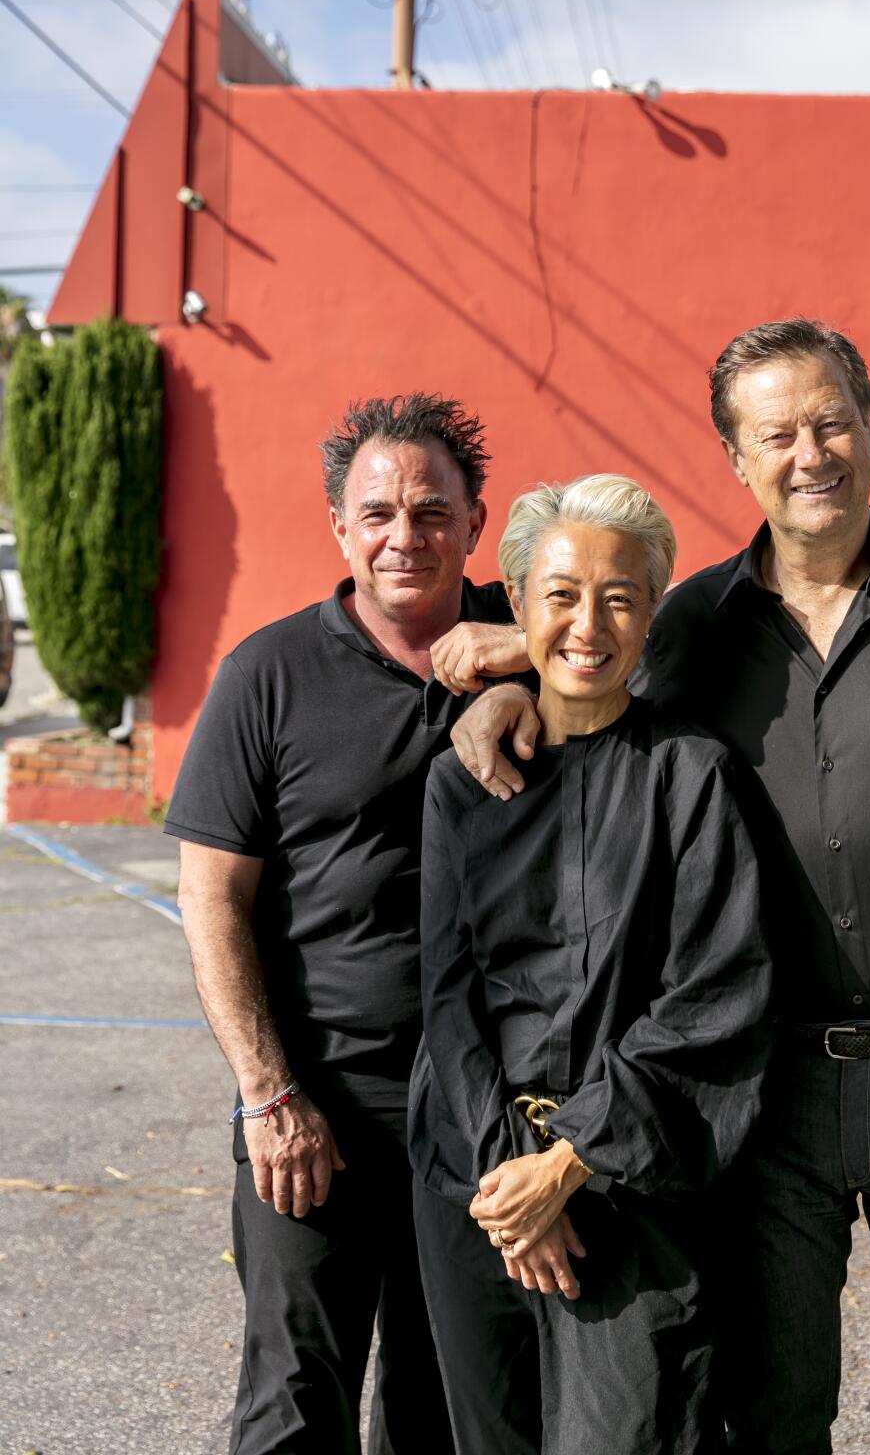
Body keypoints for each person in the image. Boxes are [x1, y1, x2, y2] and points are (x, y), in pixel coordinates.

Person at [440, 319, 870, 1455]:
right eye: (779, 434)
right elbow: (593, 672)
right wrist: (511, 683)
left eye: (831, 422)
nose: (812, 453)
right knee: (768, 1423)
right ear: (736, 461)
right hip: (764, 1103)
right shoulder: (696, 626)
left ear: (869, 427)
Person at [168, 393, 513, 1455]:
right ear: (339, 528)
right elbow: (211, 901)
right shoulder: (266, 677)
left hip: (481, 1111)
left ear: (475, 521)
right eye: (376, 514)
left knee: (443, 1404)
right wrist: (268, 1094)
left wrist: (525, 661)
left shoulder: (543, 645)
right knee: (292, 1404)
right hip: (317, 1107)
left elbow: (650, 648)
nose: (403, 536)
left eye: (429, 511)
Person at [409, 474, 774, 1455]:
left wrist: (570, 1162)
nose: (587, 622)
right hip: (477, 1188)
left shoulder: (693, 778)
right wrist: (512, 1182)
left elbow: (714, 1000)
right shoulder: (462, 781)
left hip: (634, 1183)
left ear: (653, 610)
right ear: (516, 604)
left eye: (619, 596)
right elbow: (449, 997)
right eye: (560, 594)